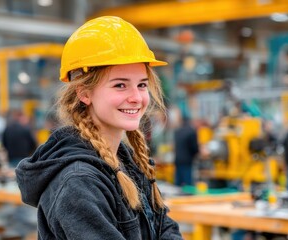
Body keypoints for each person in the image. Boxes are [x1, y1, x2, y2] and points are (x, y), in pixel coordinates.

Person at [15, 16, 183, 239]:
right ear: (84, 93)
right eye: (120, 85)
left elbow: (165, 227)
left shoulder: (126, 163)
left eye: (142, 85)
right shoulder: (78, 182)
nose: (136, 97)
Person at [173, 116, 199, 186]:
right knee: (187, 184)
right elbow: (194, 148)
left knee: (178, 183)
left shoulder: (177, 131)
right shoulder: (191, 131)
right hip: (187, 161)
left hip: (178, 160)